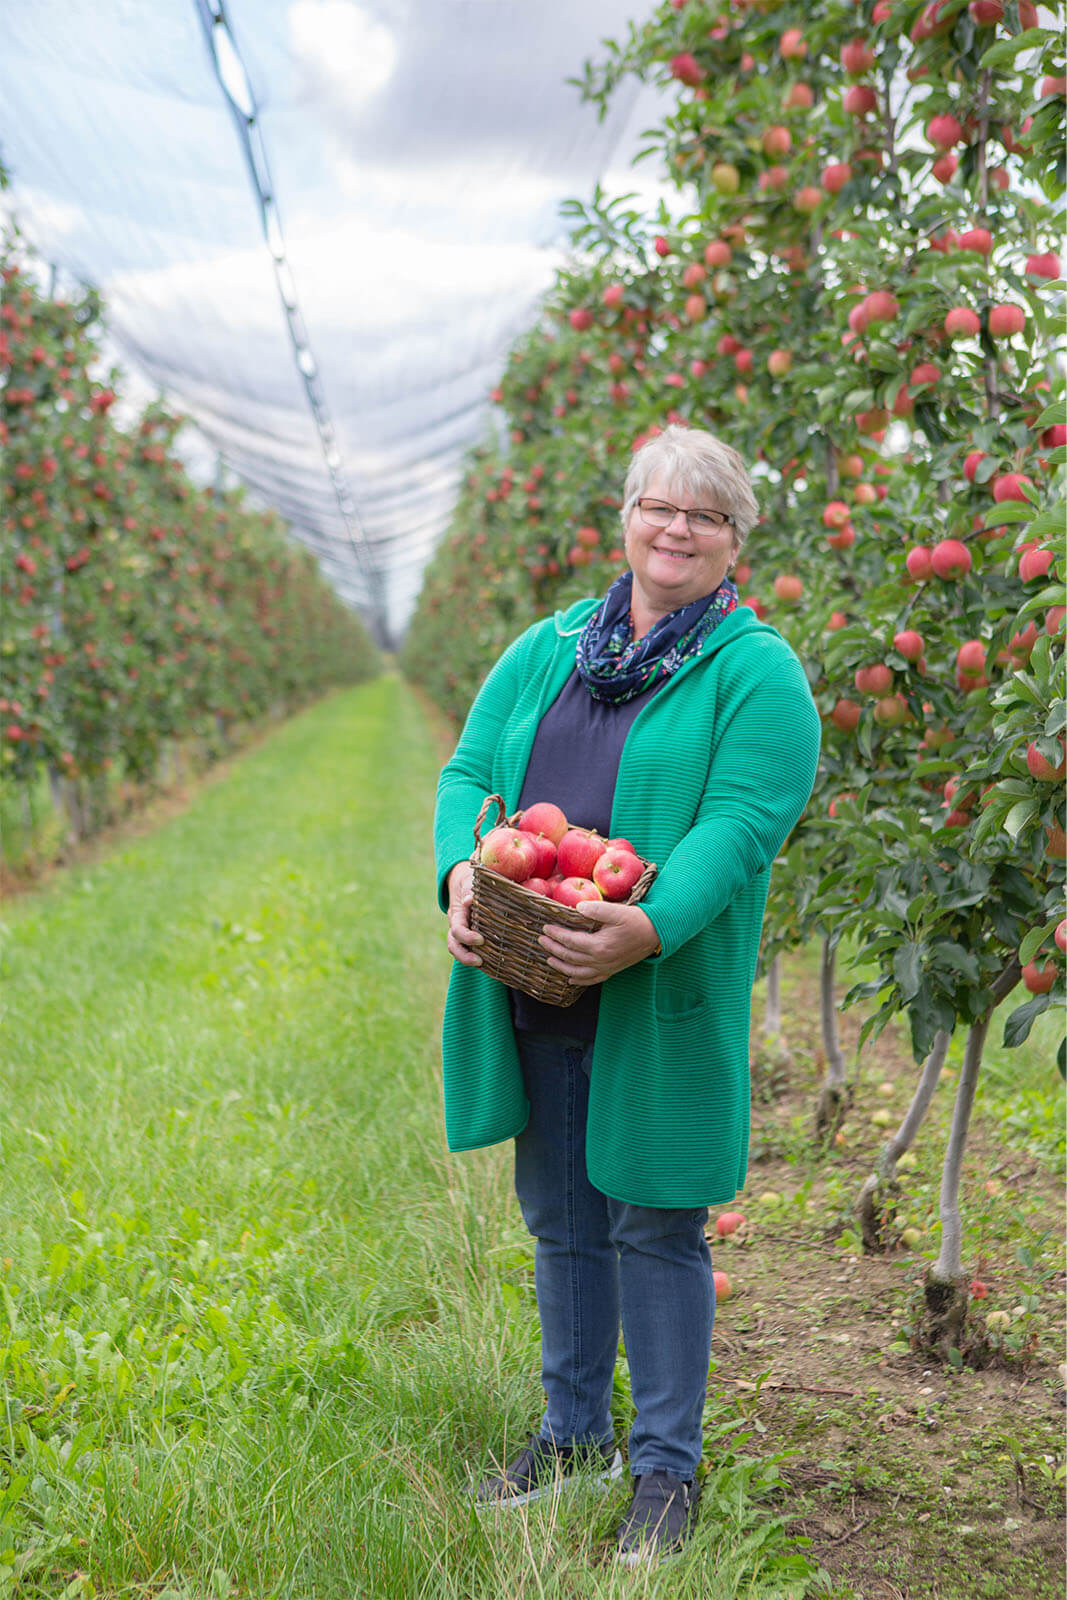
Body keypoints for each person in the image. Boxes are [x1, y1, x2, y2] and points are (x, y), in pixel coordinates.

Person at [433, 424, 820, 1566]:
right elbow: (467, 773)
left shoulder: (755, 670)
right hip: (533, 959)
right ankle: (569, 1435)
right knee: (558, 1214)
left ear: (733, 539)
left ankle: (663, 1470)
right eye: (659, 505)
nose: (676, 528)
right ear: (626, 519)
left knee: (652, 1222)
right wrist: (462, 869)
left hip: (650, 984)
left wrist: (643, 926)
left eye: (704, 515)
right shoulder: (549, 647)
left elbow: (741, 824)